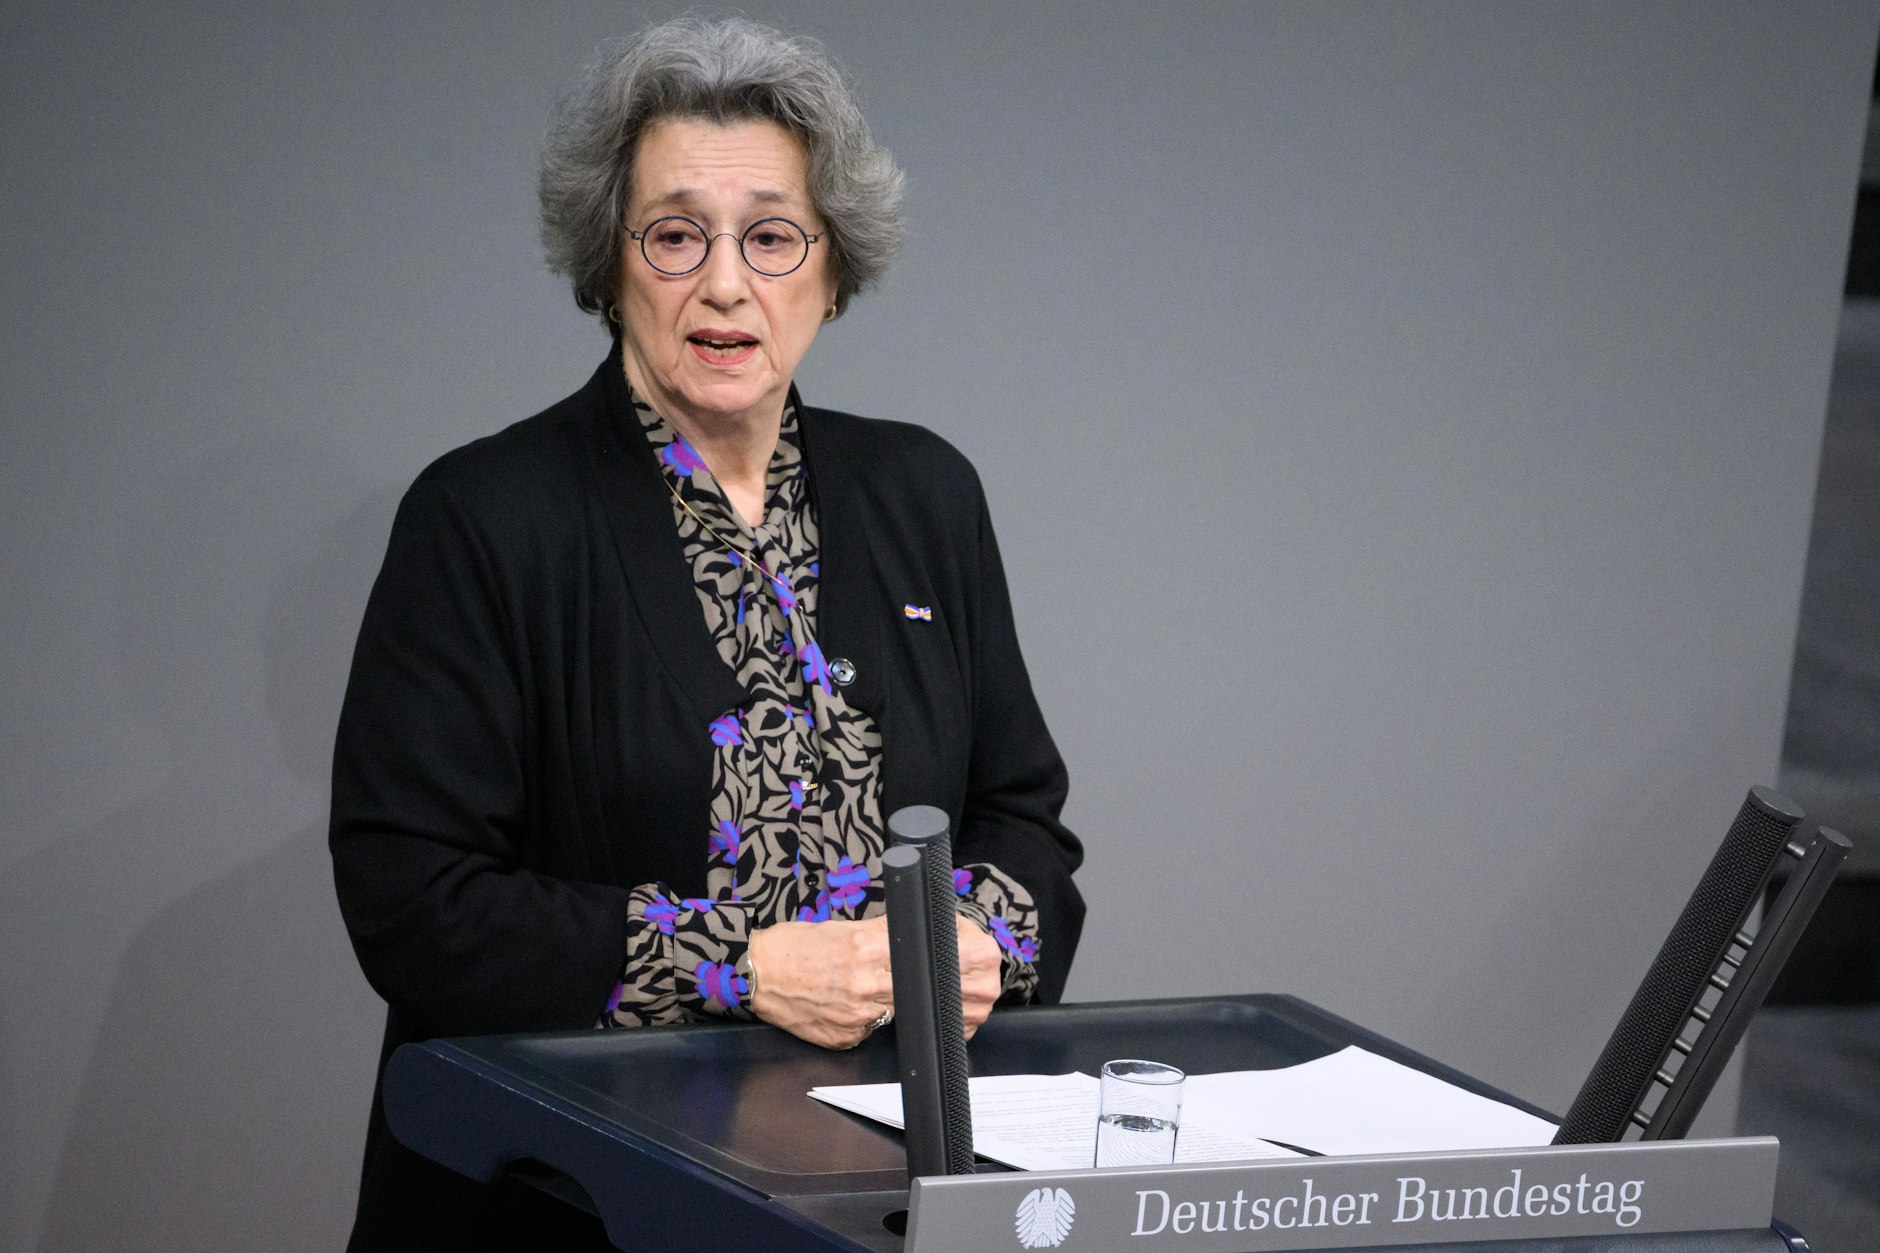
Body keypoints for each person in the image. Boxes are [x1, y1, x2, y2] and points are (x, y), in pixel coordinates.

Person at [328, 16, 1084, 1250]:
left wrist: (975, 936)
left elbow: (1024, 815)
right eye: (675, 235)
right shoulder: (484, 515)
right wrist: (741, 965)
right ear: (608, 262)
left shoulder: (923, 490)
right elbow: (416, 902)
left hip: (877, 1187)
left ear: (832, 269)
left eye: (772, 237)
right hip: (571, 1200)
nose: (725, 283)